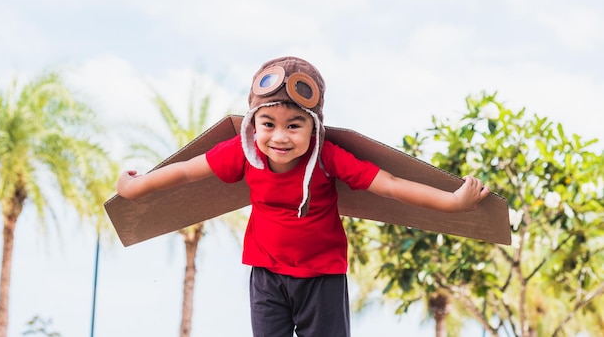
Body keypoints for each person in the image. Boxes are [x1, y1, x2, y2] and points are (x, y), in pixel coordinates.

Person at [116, 56, 490, 337]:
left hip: (321, 278)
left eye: (294, 125)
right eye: (268, 124)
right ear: (253, 123)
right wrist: (137, 186)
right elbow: (185, 170)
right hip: (267, 275)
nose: (280, 137)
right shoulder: (243, 151)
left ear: (314, 127)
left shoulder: (327, 158)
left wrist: (453, 202)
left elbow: (390, 185)